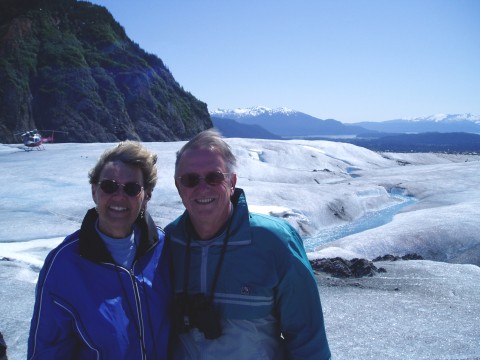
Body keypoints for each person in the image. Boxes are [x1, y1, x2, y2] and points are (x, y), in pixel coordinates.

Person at [166, 129, 331, 359]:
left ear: (232, 181)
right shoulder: (168, 243)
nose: (202, 188)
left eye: (214, 177)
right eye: (190, 179)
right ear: (178, 186)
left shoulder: (275, 242)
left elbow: (308, 340)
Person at [28, 141, 171, 359]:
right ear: (94, 191)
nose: (119, 196)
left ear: (146, 196)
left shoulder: (162, 248)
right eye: (109, 186)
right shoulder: (65, 264)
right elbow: (48, 350)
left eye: (132, 189)